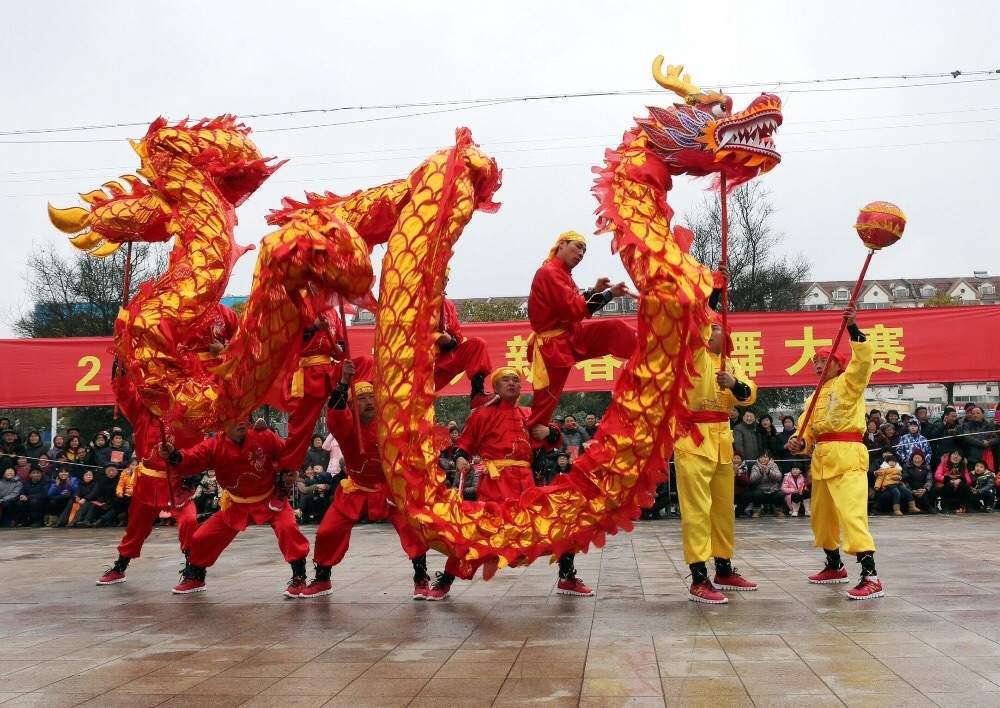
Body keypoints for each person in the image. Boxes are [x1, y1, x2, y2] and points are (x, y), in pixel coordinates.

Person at [430, 367, 592, 600]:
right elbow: (464, 445)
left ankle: (567, 576)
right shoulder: (482, 415)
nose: (512, 383)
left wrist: (548, 432)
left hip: (527, 487)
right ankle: (445, 580)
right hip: (495, 486)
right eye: (505, 380)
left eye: (516, 380)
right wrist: (461, 458)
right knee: (478, 535)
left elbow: (553, 437)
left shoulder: (528, 414)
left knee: (559, 522)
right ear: (495, 387)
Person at [297, 361, 431, 599]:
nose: (369, 401)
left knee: (412, 529)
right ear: (351, 405)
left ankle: (421, 577)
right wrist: (343, 382)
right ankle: (322, 577)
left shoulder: (390, 424)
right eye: (362, 398)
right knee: (328, 532)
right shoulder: (347, 426)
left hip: (390, 489)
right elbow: (336, 414)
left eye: (372, 396)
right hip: (356, 487)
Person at [787, 306, 884, 600]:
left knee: (853, 516)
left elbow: (863, 362)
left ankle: (871, 576)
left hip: (847, 456)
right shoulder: (813, 397)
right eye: (815, 361)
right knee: (823, 518)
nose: (818, 365)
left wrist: (853, 328)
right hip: (822, 460)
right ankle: (834, 565)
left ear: (837, 364)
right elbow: (805, 430)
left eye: (824, 360)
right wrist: (797, 442)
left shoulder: (848, 383)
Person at [155, 419, 311, 595]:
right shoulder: (213, 446)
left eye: (244, 418)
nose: (241, 423)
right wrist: (174, 454)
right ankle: (196, 577)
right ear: (223, 424)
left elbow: (288, 454)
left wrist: (289, 471)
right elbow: (192, 458)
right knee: (201, 538)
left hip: (270, 500)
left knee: (288, 528)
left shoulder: (265, 436)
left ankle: (299, 577)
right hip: (236, 504)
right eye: (235, 419)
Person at [672, 298, 759, 604]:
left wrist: (734, 383)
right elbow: (695, 325)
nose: (711, 331)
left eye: (718, 327)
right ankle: (698, 577)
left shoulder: (731, 364)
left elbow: (748, 395)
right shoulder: (693, 354)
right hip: (692, 439)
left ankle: (723, 568)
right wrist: (714, 294)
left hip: (722, 439)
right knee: (696, 511)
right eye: (710, 326)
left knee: (723, 511)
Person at [525, 230, 637, 428]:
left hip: (570, 335)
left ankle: (649, 354)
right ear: (561, 244)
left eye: (584, 251)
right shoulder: (549, 272)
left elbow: (574, 304)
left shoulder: (563, 275)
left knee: (613, 328)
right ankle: (534, 443)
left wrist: (595, 291)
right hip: (554, 345)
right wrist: (608, 294)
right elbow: (573, 309)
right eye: (578, 247)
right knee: (545, 403)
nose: (581, 254)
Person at [95, 398, 203, 587]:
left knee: (189, 521)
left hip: (176, 482)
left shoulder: (188, 412)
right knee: (136, 527)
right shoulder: (143, 411)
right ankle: (120, 567)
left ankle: (194, 573)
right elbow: (127, 396)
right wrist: (121, 373)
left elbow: (199, 449)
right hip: (146, 482)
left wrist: (193, 474)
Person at [434, 271, 492, 405]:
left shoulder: (448, 305)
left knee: (477, 344)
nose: (443, 282)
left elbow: (457, 338)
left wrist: (449, 341)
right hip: (413, 367)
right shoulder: (413, 302)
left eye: (446, 278)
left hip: (440, 364)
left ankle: (477, 394)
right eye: (439, 277)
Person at [748, 451, 784, 518]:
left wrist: (769, 472)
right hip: (760, 490)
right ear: (758, 458)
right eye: (761, 457)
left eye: (766, 457)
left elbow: (779, 477)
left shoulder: (774, 465)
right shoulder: (755, 466)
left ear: (769, 458)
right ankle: (757, 511)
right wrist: (761, 473)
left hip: (773, 490)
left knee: (780, 494)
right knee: (756, 494)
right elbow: (752, 479)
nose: (763, 459)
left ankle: (778, 510)